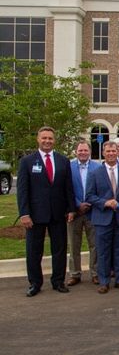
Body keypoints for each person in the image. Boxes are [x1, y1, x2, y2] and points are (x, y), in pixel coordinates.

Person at [17, 126, 76, 297]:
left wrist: (71, 209)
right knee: (34, 250)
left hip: (58, 214)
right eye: (44, 138)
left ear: (54, 140)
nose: (47, 141)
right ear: (38, 139)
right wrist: (24, 213)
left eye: (50, 138)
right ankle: (35, 283)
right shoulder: (27, 161)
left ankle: (58, 281)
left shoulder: (63, 160)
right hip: (35, 215)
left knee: (59, 249)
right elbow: (22, 190)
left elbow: (68, 188)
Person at [86, 140, 119, 293]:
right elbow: (89, 196)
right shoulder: (95, 174)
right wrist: (105, 202)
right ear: (103, 153)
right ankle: (104, 281)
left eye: (114, 151)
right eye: (108, 151)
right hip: (102, 219)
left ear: (118, 152)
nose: (112, 153)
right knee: (103, 251)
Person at [66, 140, 100, 286]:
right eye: (80, 150)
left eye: (85, 150)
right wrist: (77, 205)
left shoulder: (97, 168)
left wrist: (90, 203)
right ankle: (75, 274)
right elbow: (66, 189)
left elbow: (100, 189)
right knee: (74, 244)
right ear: (76, 152)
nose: (83, 153)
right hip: (75, 212)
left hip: (93, 211)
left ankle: (95, 273)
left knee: (95, 244)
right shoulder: (69, 167)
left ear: (90, 152)